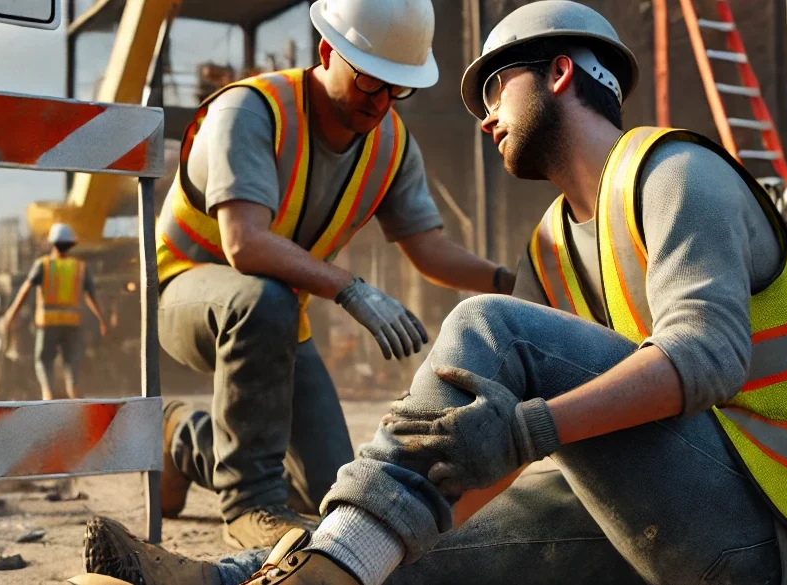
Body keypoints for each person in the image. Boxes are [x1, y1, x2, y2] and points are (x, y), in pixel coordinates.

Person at [76, 1, 787, 584]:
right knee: (407, 556)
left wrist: (528, 429)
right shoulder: (551, 245)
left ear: (560, 74)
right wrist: (428, 501)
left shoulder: (674, 175)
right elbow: (505, 432)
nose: (482, 120)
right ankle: (242, 574)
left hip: (747, 520)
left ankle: (317, 559)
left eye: (494, 91)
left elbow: (708, 356)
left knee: (488, 330)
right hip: (664, 516)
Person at [152, 0, 516, 551]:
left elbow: (429, 250)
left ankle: (182, 441)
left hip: (274, 314)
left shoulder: (391, 144)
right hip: (188, 295)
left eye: (399, 88)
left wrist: (509, 281)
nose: (383, 102)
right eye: (371, 82)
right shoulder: (253, 110)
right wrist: (351, 288)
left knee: (323, 489)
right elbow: (244, 242)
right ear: (328, 51)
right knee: (264, 300)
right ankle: (249, 503)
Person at [1, 222, 108, 400]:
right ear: (71, 244)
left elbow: (25, 290)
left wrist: (11, 314)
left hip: (48, 323)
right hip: (71, 324)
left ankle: (48, 395)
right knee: (71, 365)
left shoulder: (43, 265)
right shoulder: (79, 267)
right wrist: (101, 319)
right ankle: (75, 397)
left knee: (44, 361)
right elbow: (91, 296)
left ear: (52, 243)